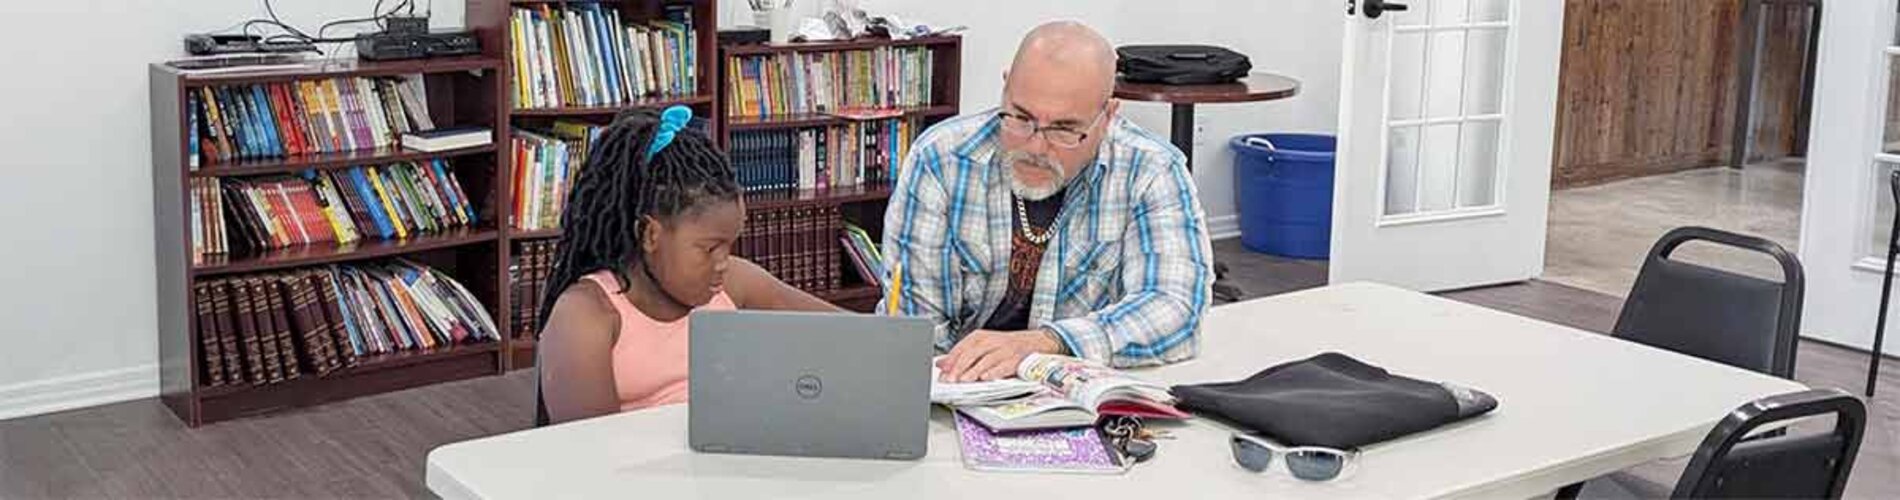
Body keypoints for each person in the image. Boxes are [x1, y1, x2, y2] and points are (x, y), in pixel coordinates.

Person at [883, 21, 1214, 382]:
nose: (1035, 147)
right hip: (961, 384)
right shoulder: (940, 159)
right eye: (1021, 117)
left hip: (1078, 386)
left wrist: (1048, 343)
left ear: (1108, 116)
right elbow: (916, 328)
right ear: (1005, 86)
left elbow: (1175, 307)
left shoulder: (1150, 170)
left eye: (1064, 128)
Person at [536, 107, 838, 424]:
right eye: (709, 248)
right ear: (650, 234)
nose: (723, 263)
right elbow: (587, 450)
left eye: (729, 245)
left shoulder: (735, 284)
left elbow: (854, 335)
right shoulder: (586, 315)